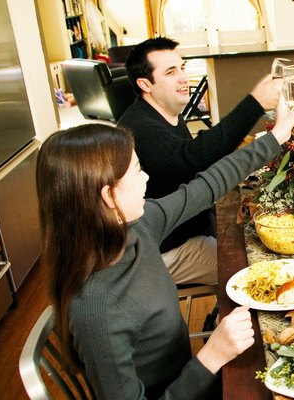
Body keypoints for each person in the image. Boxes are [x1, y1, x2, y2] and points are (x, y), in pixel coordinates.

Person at [35, 99, 294, 399]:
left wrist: (276, 137)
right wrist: (212, 356)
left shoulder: (136, 229)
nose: (147, 178)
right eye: (138, 171)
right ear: (109, 196)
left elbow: (203, 188)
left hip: (191, 374)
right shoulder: (98, 310)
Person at [118, 37, 283, 285]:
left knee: (252, 234)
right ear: (145, 84)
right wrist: (255, 104)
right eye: (171, 72)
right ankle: (227, 316)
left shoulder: (166, 112)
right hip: (166, 249)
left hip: (191, 228)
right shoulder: (140, 129)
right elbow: (194, 158)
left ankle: (220, 313)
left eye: (182, 68)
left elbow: (198, 155)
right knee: (257, 272)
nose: (184, 78)